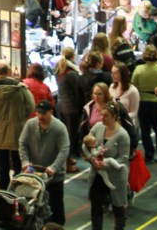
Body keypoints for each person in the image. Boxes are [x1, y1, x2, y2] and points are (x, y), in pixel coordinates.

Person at [0, 61, 34, 190]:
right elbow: (31, 106)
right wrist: (21, 117)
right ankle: (18, 191)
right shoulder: (20, 88)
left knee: (2, 167)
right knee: (18, 165)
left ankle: (4, 194)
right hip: (18, 131)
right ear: (9, 71)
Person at [19, 100, 70, 225]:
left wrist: (54, 167)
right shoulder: (30, 125)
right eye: (38, 113)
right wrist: (25, 162)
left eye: (43, 113)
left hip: (55, 176)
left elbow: (64, 149)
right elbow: (22, 144)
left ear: (51, 112)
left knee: (56, 207)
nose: (40, 116)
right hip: (36, 175)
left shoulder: (59, 128)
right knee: (37, 207)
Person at [82, 100, 131, 230]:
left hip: (115, 176)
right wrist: (91, 158)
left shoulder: (123, 135)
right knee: (96, 204)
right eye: (101, 115)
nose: (102, 118)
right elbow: (84, 144)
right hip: (97, 174)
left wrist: (105, 165)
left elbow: (124, 158)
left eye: (106, 116)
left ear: (114, 117)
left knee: (118, 206)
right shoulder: (98, 127)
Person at [132, 45, 157, 163]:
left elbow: (133, 85)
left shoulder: (139, 69)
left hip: (143, 101)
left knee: (145, 130)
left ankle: (149, 155)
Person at [55, 52, 84, 173]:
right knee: (70, 137)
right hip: (71, 108)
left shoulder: (59, 73)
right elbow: (78, 91)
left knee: (65, 134)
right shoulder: (72, 74)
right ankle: (66, 163)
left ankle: (68, 159)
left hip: (61, 106)